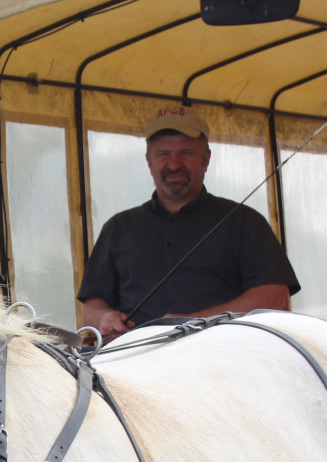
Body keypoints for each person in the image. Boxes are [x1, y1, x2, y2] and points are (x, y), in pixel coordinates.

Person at [77, 104, 300, 342]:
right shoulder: (118, 228)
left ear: (206, 159)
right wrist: (104, 317)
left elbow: (276, 299)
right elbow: (90, 307)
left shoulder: (245, 222)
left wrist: (193, 324)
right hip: (133, 367)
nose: (174, 164)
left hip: (225, 361)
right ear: (148, 162)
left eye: (186, 153)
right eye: (163, 154)